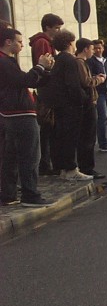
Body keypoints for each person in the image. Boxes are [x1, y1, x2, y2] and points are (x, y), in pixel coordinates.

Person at [1, 27, 56, 206]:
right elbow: (23, 81)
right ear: (8, 42)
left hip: (14, 112)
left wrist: (45, 71)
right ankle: (30, 194)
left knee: (12, 156)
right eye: (19, 41)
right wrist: (40, 66)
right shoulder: (3, 62)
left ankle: (9, 194)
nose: (22, 45)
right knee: (30, 155)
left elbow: (30, 80)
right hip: (18, 113)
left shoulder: (8, 61)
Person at [48, 32, 101, 181]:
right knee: (71, 137)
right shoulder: (69, 60)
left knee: (63, 137)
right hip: (72, 106)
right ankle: (71, 168)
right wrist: (84, 100)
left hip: (61, 105)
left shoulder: (59, 59)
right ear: (69, 43)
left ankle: (64, 168)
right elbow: (73, 85)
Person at [29, 13, 62, 176]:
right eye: (56, 28)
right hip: (47, 90)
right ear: (48, 27)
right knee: (48, 128)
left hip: (46, 88)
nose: (58, 31)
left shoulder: (45, 42)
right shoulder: (43, 42)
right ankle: (45, 163)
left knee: (48, 129)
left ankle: (46, 162)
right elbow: (47, 65)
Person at [88, 39, 107, 152]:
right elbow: (91, 75)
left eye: (100, 48)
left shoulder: (106, 60)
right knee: (102, 117)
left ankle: (100, 140)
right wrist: (104, 77)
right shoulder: (91, 61)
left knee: (104, 117)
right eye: (95, 48)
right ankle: (103, 143)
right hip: (98, 91)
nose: (98, 50)